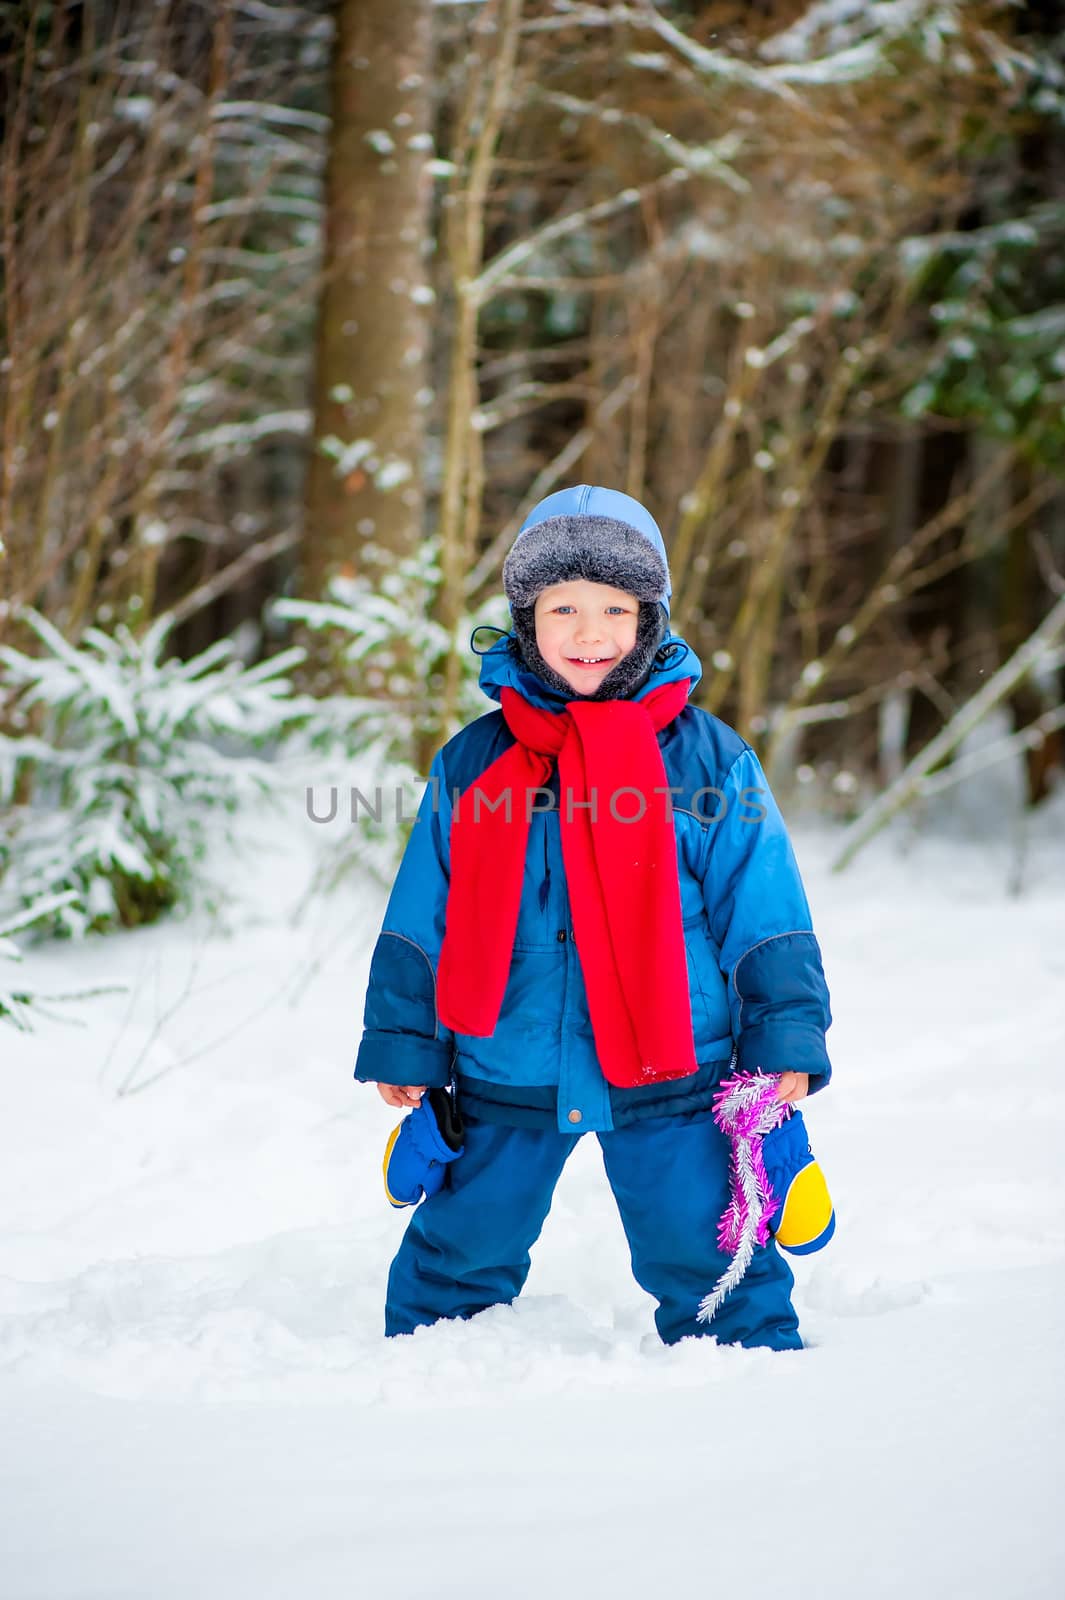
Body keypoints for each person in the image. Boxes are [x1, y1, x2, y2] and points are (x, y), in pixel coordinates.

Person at [355, 484, 832, 1350]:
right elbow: (420, 913)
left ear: (648, 620)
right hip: (506, 1065)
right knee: (464, 1240)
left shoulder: (708, 759)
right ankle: (427, 1366)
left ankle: (754, 1384)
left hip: (675, 1072)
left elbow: (764, 910)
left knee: (705, 1243)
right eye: (562, 607)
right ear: (524, 618)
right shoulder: (474, 761)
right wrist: (404, 1041)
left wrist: (783, 1040)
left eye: (614, 608)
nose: (587, 632)